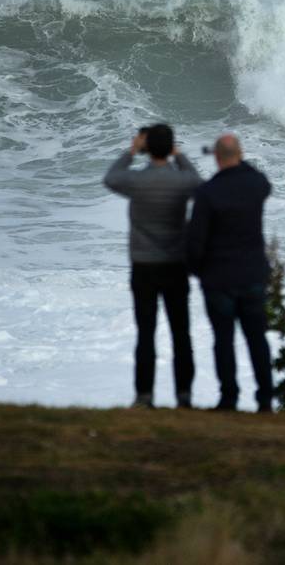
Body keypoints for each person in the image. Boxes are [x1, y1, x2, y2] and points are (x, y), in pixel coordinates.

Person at [103, 124, 201, 409]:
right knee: (180, 332)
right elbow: (197, 180)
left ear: (147, 148)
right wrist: (179, 155)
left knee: (146, 332)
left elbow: (110, 178)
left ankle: (144, 396)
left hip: (144, 266)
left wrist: (131, 151)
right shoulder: (181, 182)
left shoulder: (137, 181)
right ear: (170, 148)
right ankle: (184, 396)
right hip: (175, 266)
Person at [185, 133, 274, 412]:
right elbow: (259, 178)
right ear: (240, 154)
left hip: (219, 278)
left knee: (223, 341)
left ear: (216, 158)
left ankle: (229, 398)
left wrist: (199, 272)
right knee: (256, 339)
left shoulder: (208, 193)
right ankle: (265, 400)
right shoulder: (257, 185)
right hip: (252, 276)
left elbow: (195, 242)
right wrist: (238, 157)